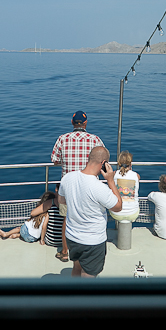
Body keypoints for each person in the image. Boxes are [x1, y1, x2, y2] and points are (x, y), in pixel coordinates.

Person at [58, 146, 121, 278]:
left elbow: (61, 201)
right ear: (103, 163)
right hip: (93, 241)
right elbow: (118, 206)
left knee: (76, 267)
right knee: (89, 275)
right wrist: (110, 180)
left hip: (72, 236)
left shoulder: (68, 178)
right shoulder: (99, 188)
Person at [50, 110, 104, 262]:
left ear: (72, 123)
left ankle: (65, 251)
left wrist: (67, 161)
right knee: (89, 217)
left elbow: (54, 160)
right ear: (85, 123)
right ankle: (87, 250)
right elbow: (103, 160)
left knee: (68, 218)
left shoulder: (62, 139)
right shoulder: (95, 140)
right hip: (90, 187)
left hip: (68, 187)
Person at [109, 150, 140, 223]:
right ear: (130, 163)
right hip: (133, 213)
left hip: (116, 213)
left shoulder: (114, 174)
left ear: (119, 163)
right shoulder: (136, 176)